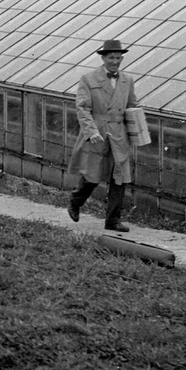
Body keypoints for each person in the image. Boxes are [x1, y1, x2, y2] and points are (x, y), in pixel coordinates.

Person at [66, 39, 139, 232]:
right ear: (103, 58)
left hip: (119, 134)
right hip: (97, 131)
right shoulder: (88, 79)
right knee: (92, 174)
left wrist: (138, 133)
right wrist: (91, 131)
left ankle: (112, 220)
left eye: (118, 58)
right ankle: (76, 200)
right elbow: (82, 108)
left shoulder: (127, 81)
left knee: (120, 177)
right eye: (111, 58)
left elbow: (132, 106)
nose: (115, 61)